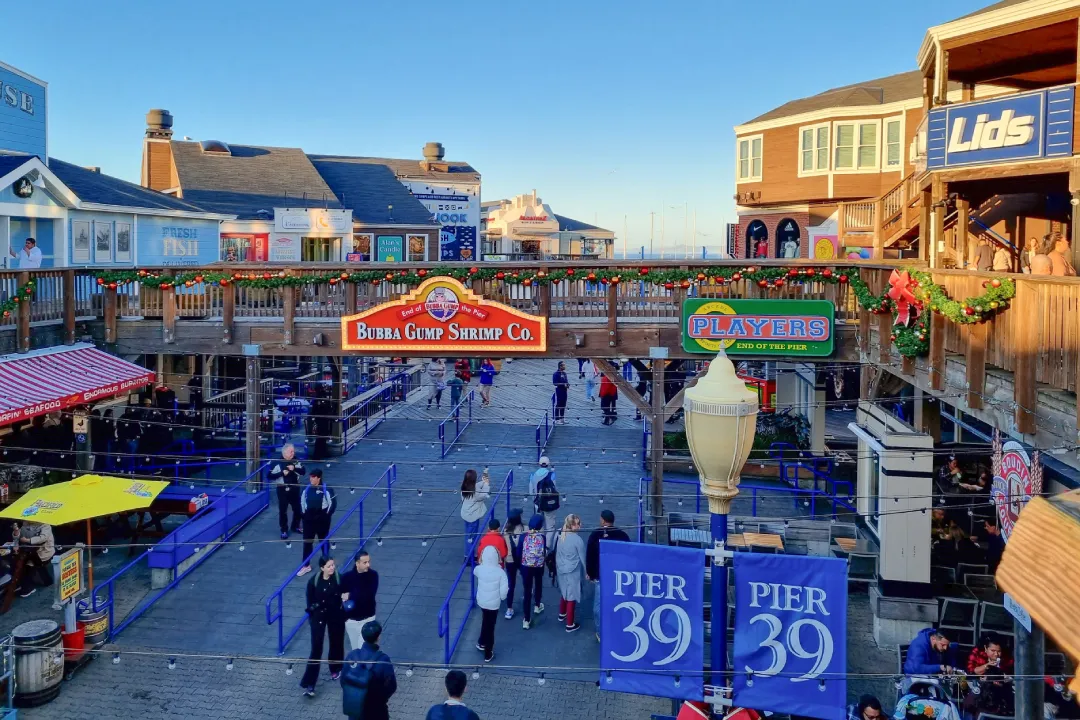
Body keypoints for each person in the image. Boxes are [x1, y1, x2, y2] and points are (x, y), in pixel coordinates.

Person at [301, 556, 346, 696]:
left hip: (335, 613)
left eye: (333, 565)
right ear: (322, 568)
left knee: (337, 641)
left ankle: (336, 668)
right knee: (316, 648)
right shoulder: (313, 582)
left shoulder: (340, 579)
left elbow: (348, 591)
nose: (332, 568)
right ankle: (310, 683)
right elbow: (310, 601)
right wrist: (313, 616)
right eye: (329, 566)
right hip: (318, 616)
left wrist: (346, 595)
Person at [586, 510, 630, 640]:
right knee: (617, 603)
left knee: (598, 606)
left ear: (603, 520)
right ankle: (617, 627)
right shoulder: (622, 535)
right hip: (617, 576)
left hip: (601, 576)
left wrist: (590, 573)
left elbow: (590, 556)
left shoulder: (595, 535)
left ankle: (600, 632)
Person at [340, 620, 397, 720]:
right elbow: (391, 686)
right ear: (378, 637)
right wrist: (380, 699)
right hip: (375, 710)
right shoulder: (383, 660)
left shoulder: (352, 655)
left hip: (355, 707)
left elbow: (343, 680)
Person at [963, 633, 1014, 719]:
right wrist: (986, 666)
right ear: (986, 648)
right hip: (981, 687)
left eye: (999, 651)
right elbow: (971, 671)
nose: (996, 654)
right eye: (993, 651)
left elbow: (1010, 672)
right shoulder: (977, 653)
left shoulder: (1006, 658)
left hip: (1001, 689)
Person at [298, 469, 337, 576]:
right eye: (310, 477)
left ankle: (327, 564)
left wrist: (325, 516)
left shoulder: (327, 489)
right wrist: (305, 516)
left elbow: (332, 505)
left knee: (323, 541)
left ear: (319, 478)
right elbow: (301, 503)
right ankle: (306, 565)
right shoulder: (305, 489)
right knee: (307, 543)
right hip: (309, 519)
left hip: (322, 519)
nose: (311, 479)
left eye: (313, 477)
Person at [473, 545, 508, 662]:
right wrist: (502, 598)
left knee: (485, 620)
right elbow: (503, 591)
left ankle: (481, 642)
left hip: (482, 601)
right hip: (494, 604)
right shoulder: (500, 572)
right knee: (490, 626)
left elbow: (475, 571)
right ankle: (488, 652)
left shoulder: (479, 569)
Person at [341, 550, 379, 651]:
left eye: (368, 562)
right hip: (351, 620)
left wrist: (350, 595)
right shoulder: (346, 577)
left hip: (367, 619)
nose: (368, 565)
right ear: (357, 563)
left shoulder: (373, 575)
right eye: (365, 562)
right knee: (355, 649)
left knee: (364, 649)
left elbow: (369, 594)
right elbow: (340, 595)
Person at [555, 514, 587, 632]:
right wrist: (587, 572)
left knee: (564, 591)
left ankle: (562, 613)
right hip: (573, 570)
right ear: (573, 526)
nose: (580, 525)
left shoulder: (560, 535)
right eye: (578, 523)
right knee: (572, 595)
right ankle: (570, 624)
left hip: (561, 568)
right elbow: (583, 558)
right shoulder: (577, 540)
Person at [270, 443, 305, 540]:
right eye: (291, 451)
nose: (293, 453)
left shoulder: (296, 460)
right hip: (282, 489)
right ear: (285, 452)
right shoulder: (276, 462)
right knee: (283, 511)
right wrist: (281, 473)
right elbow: (269, 476)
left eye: (293, 451)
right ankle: (284, 530)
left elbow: (303, 471)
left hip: (295, 488)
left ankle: (295, 526)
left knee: (298, 509)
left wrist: (295, 468)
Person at [520, 514, 547, 629]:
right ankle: (537, 605)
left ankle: (526, 619)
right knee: (538, 583)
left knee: (527, 591)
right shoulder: (542, 537)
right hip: (538, 565)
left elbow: (518, 552)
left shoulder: (523, 536)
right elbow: (544, 551)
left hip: (526, 566)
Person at [14, 521, 55, 597]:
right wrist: (17, 533)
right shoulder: (25, 523)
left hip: (44, 551)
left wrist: (27, 540)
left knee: (29, 565)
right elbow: (21, 535)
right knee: (19, 561)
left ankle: (27, 588)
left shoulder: (46, 525)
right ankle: (21, 584)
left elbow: (43, 538)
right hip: (30, 549)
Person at [529, 457, 560, 548]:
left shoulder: (532, 475)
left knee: (539, 526)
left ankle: (539, 545)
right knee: (550, 527)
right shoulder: (552, 475)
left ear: (539, 464)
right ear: (548, 464)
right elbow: (554, 490)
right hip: (549, 504)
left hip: (537, 504)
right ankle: (547, 547)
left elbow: (531, 492)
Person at [459, 468, 490, 559]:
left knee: (468, 535)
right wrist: (486, 482)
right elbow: (484, 493)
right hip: (473, 516)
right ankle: (469, 557)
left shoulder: (464, 486)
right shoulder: (475, 493)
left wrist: (484, 480)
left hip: (466, 514)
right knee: (471, 537)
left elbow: (478, 486)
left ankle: (468, 554)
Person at [503, 509, 525, 619]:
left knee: (511, 584)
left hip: (510, 560)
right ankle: (528, 593)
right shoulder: (524, 529)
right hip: (522, 558)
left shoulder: (506, 531)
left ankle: (509, 609)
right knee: (526, 578)